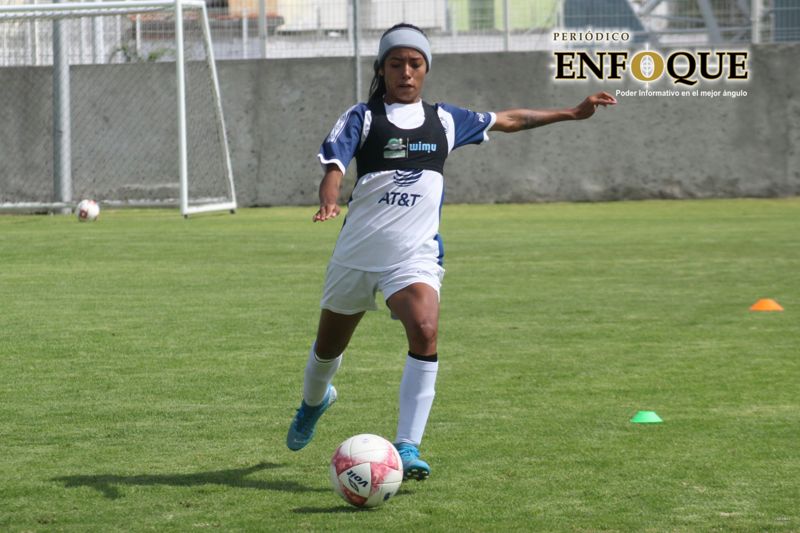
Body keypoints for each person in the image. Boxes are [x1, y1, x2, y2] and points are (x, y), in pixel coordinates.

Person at [287, 23, 616, 481]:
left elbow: (509, 119)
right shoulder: (362, 117)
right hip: (357, 256)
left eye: (415, 64)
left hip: (413, 256)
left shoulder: (444, 119)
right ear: (382, 69)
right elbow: (334, 163)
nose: (406, 72)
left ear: (426, 70)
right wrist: (329, 195)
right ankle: (314, 402)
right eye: (396, 63)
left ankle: (407, 445)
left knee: (424, 328)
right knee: (327, 351)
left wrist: (571, 112)